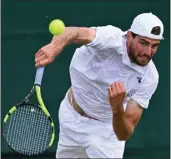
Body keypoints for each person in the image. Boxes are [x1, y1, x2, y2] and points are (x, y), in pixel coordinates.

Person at [35, 12, 164, 158]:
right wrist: (55, 46)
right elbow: (72, 32)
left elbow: (124, 134)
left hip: (105, 132)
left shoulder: (149, 78)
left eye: (155, 46)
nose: (148, 52)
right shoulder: (110, 38)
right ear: (129, 36)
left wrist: (117, 108)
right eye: (144, 43)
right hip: (70, 115)